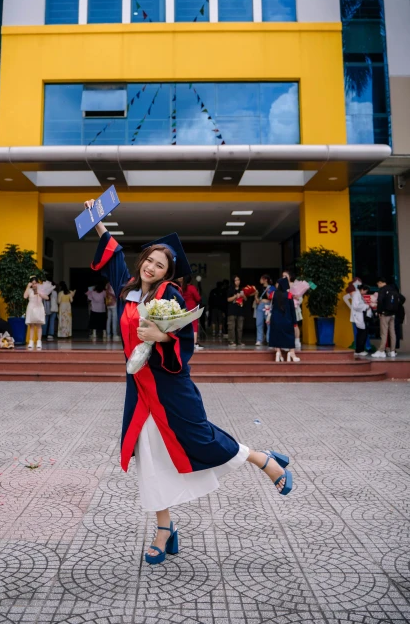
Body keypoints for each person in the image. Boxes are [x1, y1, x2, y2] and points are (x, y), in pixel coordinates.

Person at [84, 197, 293, 566]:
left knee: (198, 437)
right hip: (140, 388)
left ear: (168, 272)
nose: (150, 267)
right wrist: (98, 219)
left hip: (169, 385)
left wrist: (163, 337)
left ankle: (263, 460)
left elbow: (182, 338)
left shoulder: (170, 296)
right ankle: (164, 529)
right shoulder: (129, 287)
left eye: (159, 265)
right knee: (149, 456)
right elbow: (114, 255)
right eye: (148, 259)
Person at [371, 277, 405, 359]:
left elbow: (380, 301)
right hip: (393, 314)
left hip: (384, 314)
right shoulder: (393, 289)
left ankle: (381, 350)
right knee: (392, 332)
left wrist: (379, 312)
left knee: (384, 332)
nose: (378, 285)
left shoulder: (382, 290)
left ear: (381, 282)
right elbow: (402, 298)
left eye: (378, 283)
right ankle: (392, 351)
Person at [268, 278, 300, 363]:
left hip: (275, 320)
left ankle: (278, 352)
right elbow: (292, 310)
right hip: (287, 320)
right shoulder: (289, 295)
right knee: (289, 336)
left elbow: (271, 305)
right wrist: (295, 322)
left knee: (277, 335)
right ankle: (292, 353)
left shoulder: (273, 294)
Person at [180, 275, 203, 351]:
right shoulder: (191, 288)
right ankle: (193, 343)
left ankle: (183, 342)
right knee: (194, 326)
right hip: (192, 308)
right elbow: (198, 298)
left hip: (183, 309)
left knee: (183, 326)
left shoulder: (181, 288)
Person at [349, 285, 373, 357]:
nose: (366, 293)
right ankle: (359, 350)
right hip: (358, 317)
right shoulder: (357, 295)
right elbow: (356, 306)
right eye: (366, 291)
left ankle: (359, 350)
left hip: (360, 317)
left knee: (362, 334)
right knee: (362, 334)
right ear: (362, 289)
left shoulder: (359, 295)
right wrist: (366, 306)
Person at [24, 276, 46, 350]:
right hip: (31, 308)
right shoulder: (29, 290)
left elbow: (47, 297)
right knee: (32, 326)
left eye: (35, 283)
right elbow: (25, 296)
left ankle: (39, 341)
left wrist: (40, 293)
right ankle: (31, 341)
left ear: (38, 283)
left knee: (39, 326)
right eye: (32, 283)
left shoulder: (41, 289)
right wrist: (28, 286)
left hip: (39, 308)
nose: (34, 285)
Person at [282, 271, 302, 351]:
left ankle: (297, 341)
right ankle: (286, 342)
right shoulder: (282, 286)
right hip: (285, 308)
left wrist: (296, 297)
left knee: (295, 325)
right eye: (282, 276)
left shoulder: (295, 285)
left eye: (285, 276)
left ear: (290, 277)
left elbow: (300, 298)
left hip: (294, 307)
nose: (283, 277)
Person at [254, 275, 274, 346]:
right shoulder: (259, 288)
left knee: (268, 323)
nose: (260, 280)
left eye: (261, 279)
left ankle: (269, 339)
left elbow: (271, 298)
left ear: (265, 280)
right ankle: (259, 340)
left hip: (268, 306)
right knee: (259, 323)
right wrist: (256, 295)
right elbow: (257, 301)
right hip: (260, 305)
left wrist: (268, 293)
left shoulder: (272, 287)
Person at [226, 276, 245, 348]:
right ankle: (231, 341)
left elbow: (245, 299)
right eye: (236, 280)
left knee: (240, 327)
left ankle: (239, 341)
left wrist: (243, 296)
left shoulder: (242, 289)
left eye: (238, 280)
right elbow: (228, 300)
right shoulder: (230, 289)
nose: (237, 281)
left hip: (240, 310)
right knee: (232, 326)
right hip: (232, 310)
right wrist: (235, 297)